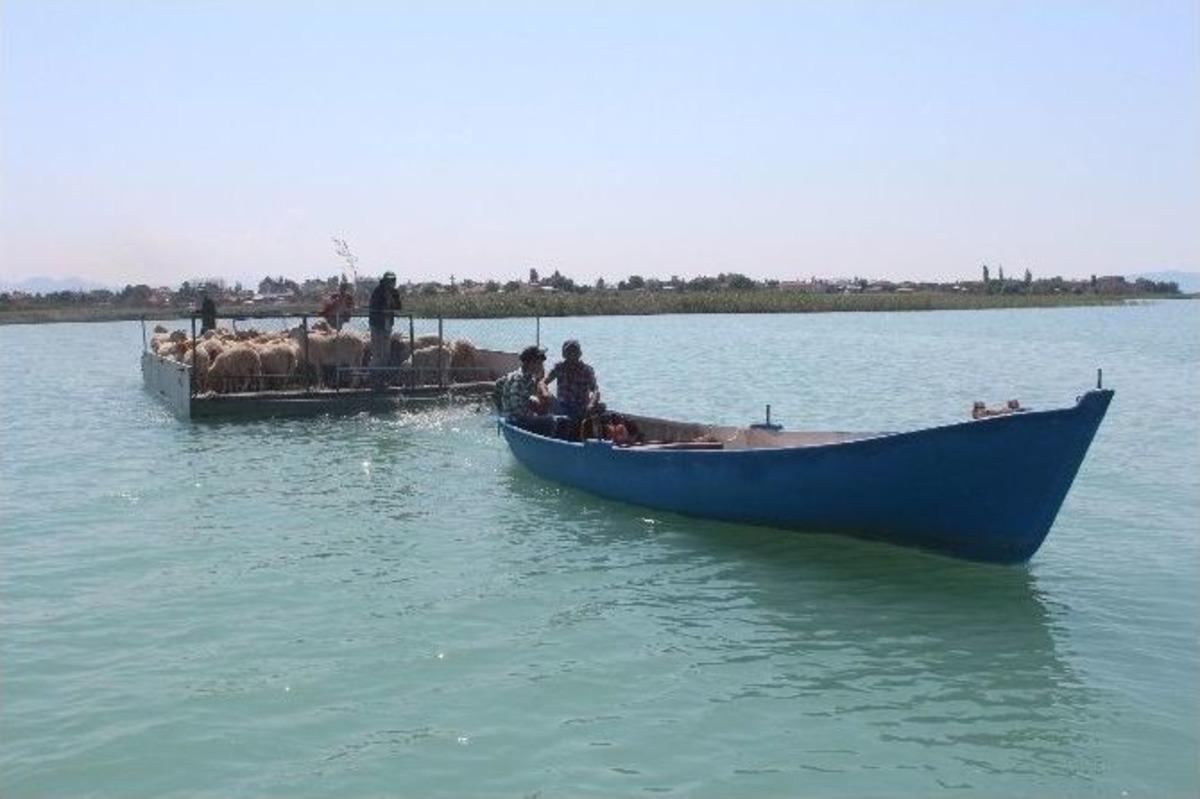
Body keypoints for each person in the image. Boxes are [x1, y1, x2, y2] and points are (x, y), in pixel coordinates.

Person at [495, 345, 555, 435]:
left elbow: (536, 394)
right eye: (540, 363)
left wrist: (540, 378)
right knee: (552, 421)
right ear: (531, 363)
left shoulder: (528, 377)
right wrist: (535, 416)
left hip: (522, 414)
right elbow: (517, 411)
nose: (542, 365)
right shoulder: (519, 379)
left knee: (549, 406)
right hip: (515, 420)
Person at [543, 339, 600, 420]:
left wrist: (591, 404)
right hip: (562, 407)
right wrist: (545, 392)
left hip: (581, 407)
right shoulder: (559, 367)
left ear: (580, 354)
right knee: (545, 397)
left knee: (601, 407)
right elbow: (543, 382)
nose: (572, 355)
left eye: (575, 352)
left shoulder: (587, 370)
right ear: (564, 355)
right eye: (569, 352)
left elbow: (595, 390)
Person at [368, 271, 402, 371]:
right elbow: (374, 307)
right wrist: (383, 310)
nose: (392, 282)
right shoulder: (378, 291)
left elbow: (398, 307)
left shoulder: (394, 292)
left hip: (387, 323)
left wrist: (392, 304)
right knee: (377, 349)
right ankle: (374, 371)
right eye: (390, 280)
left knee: (386, 349)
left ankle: (384, 371)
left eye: (393, 280)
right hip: (377, 324)